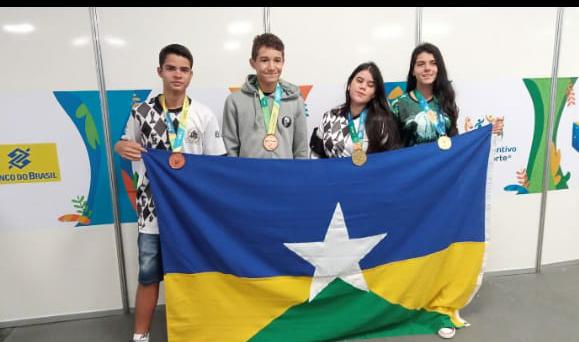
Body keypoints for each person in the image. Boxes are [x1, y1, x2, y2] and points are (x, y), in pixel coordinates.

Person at [114, 43, 226, 342]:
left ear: (191, 75)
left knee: (198, 274)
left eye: (184, 69)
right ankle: (140, 336)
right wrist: (119, 146)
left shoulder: (202, 114)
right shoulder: (142, 112)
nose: (178, 75)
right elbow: (126, 144)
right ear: (160, 71)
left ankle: (202, 332)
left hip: (193, 214)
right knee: (149, 274)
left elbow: (216, 165)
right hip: (153, 212)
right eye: (171, 68)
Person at [391, 42, 503, 151]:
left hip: (443, 168)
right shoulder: (398, 104)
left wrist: (486, 132)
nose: (427, 68)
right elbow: (391, 149)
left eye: (433, 63)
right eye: (421, 64)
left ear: (439, 69)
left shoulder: (445, 100)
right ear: (413, 71)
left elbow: (454, 142)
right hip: (414, 168)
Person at [222, 33, 308, 159]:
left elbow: (301, 150)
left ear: (283, 62)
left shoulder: (295, 101)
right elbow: (230, 149)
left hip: (284, 176)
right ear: (253, 63)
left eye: (277, 60)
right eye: (264, 60)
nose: (271, 67)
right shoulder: (234, 101)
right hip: (248, 177)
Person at [310, 62, 400, 163]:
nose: (363, 87)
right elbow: (315, 155)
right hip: (332, 177)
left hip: (368, 177)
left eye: (370, 85)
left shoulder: (383, 121)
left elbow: (390, 162)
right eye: (359, 81)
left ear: (374, 94)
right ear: (349, 85)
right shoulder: (330, 117)